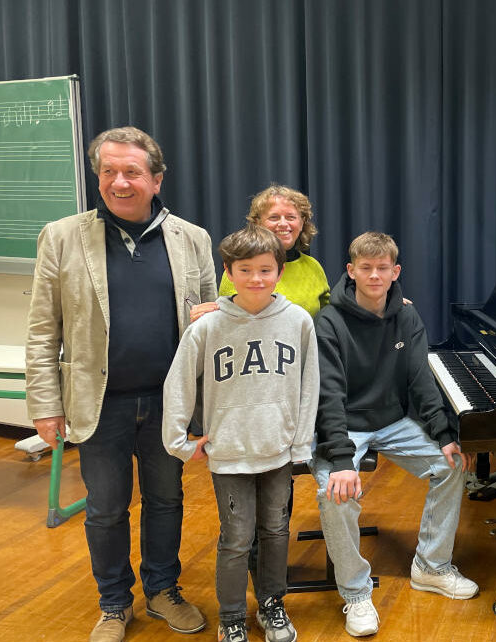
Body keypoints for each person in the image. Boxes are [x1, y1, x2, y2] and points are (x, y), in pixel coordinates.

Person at [25, 126, 214, 641]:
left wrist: (207, 408)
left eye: (132, 171)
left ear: (156, 179)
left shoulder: (193, 239)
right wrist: (45, 404)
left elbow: (208, 328)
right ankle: (113, 604)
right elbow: (42, 330)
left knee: (166, 502)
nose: (119, 182)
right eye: (108, 171)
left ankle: (163, 590)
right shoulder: (62, 236)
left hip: (168, 404)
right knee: (106, 509)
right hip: (99, 404)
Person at [311, 231, 478, 638]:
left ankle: (431, 567)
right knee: (334, 492)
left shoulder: (407, 316)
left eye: (382, 268)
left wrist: (445, 435)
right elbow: (328, 395)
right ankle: (356, 593)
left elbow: (421, 381)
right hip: (344, 425)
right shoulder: (328, 321)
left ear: (395, 271)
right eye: (365, 268)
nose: (374, 275)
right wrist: (339, 460)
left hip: (392, 421)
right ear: (351, 271)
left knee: (451, 465)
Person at [162, 225, 318, 642]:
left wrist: (301, 442)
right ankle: (231, 616)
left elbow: (310, 385)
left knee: (276, 532)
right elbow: (178, 384)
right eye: (245, 270)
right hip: (230, 453)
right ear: (228, 272)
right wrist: (178, 442)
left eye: (265, 269)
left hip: (278, 450)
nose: (256, 278)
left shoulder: (298, 321)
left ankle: (272, 604)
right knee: (236, 538)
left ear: (279, 272)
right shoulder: (207, 327)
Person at [192, 184, 330, 321]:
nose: (283, 223)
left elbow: (325, 317)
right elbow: (230, 321)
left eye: (290, 217)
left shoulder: (313, 267)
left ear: (302, 222)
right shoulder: (241, 267)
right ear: (258, 223)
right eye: (274, 217)